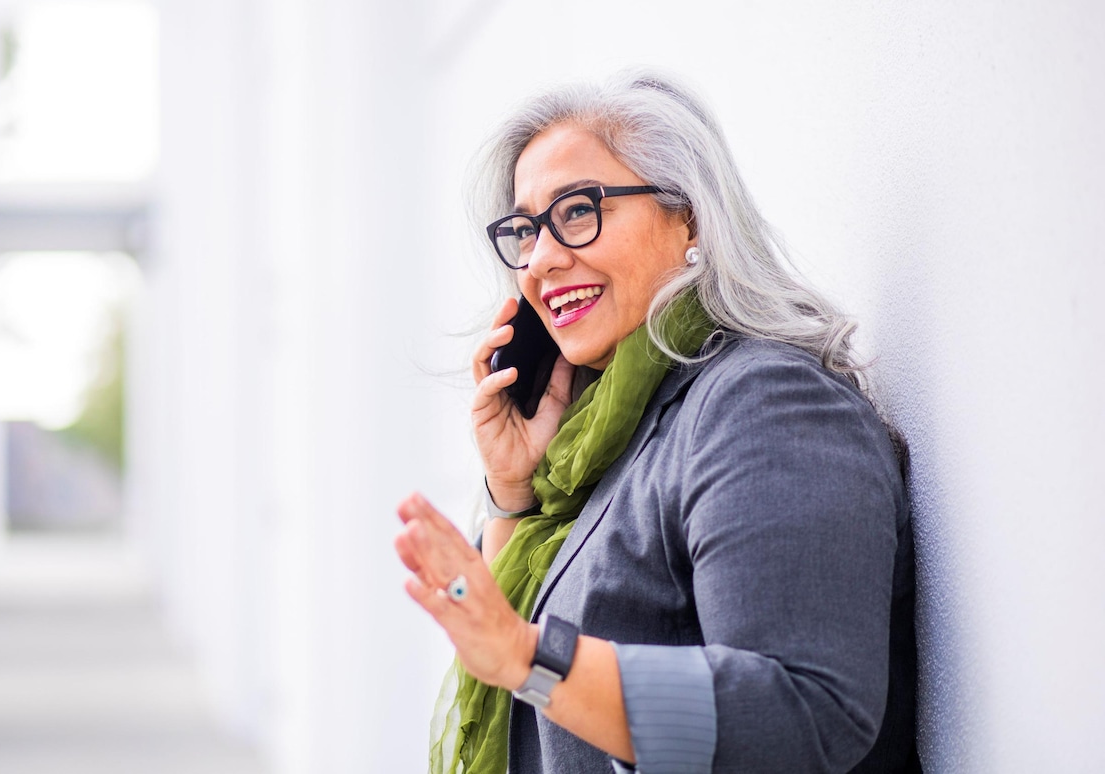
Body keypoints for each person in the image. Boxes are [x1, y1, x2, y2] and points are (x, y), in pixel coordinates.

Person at [392, 70, 919, 774]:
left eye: (577, 210)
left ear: (690, 217)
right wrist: (513, 492)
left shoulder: (767, 404)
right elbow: (521, 710)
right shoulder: (597, 441)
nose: (541, 258)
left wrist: (530, 657)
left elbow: (803, 715)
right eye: (523, 230)